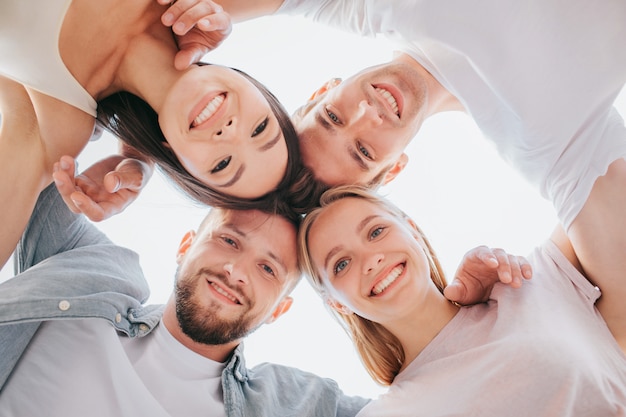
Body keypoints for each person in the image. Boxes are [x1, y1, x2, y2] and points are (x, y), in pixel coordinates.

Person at [159, 0, 626, 348]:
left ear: (323, 90)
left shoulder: (367, 6)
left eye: (331, 118)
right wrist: (492, 317)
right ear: (394, 168)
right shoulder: (551, 148)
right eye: (363, 152)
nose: (367, 111)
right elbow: (615, 337)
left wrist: (135, 144)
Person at [0, 181, 526, 415]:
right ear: (187, 245)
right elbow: (44, 138)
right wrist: (131, 156)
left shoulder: (296, 405)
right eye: (229, 240)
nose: (236, 270)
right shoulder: (89, 268)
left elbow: (448, 401)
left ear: (282, 309)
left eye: (269, 269)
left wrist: (469, 313)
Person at [0, 0, 301, 269]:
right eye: (260, 128)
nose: (230, 132)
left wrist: (137, 157)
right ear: (257, 88)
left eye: (223, 164)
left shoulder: (60, 122)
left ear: (177, 158)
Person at [298, 185, 626, 416]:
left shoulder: (531, 280)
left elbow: (596, 174)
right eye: (341, 264)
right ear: (336, 304)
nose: (370, 260)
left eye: (376, 231)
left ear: (412, 230)